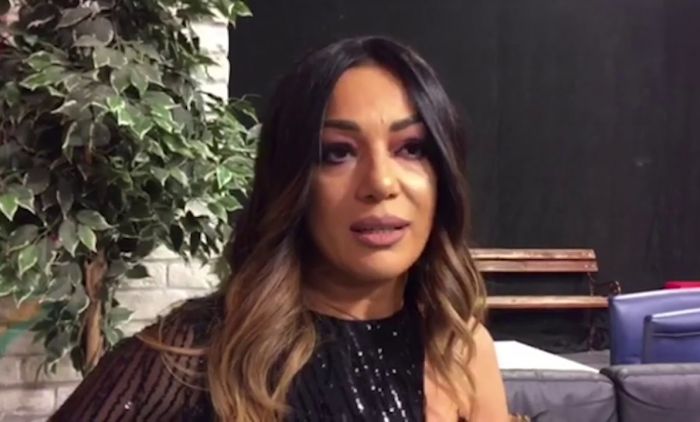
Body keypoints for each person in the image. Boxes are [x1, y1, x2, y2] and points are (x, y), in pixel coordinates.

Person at [52, 35, 509, 421]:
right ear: (292, 181)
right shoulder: (197, 351)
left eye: (411, 148)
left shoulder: (461, 349)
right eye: (337, 152)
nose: (380, 183)